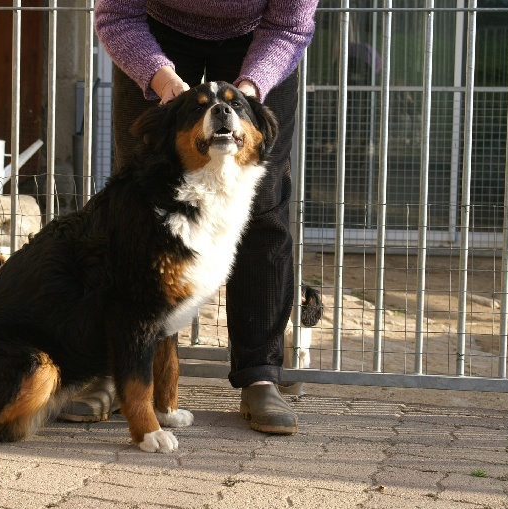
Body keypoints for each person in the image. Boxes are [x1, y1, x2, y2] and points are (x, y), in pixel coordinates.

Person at [59, 0, 319, 434]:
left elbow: (289, 26)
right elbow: (116, 15)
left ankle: (260, 374)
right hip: (154, 30)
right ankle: (113, 369)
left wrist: (250, 92)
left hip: (261, 36)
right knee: (137, 200)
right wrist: (162, 80)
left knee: (264, 204)